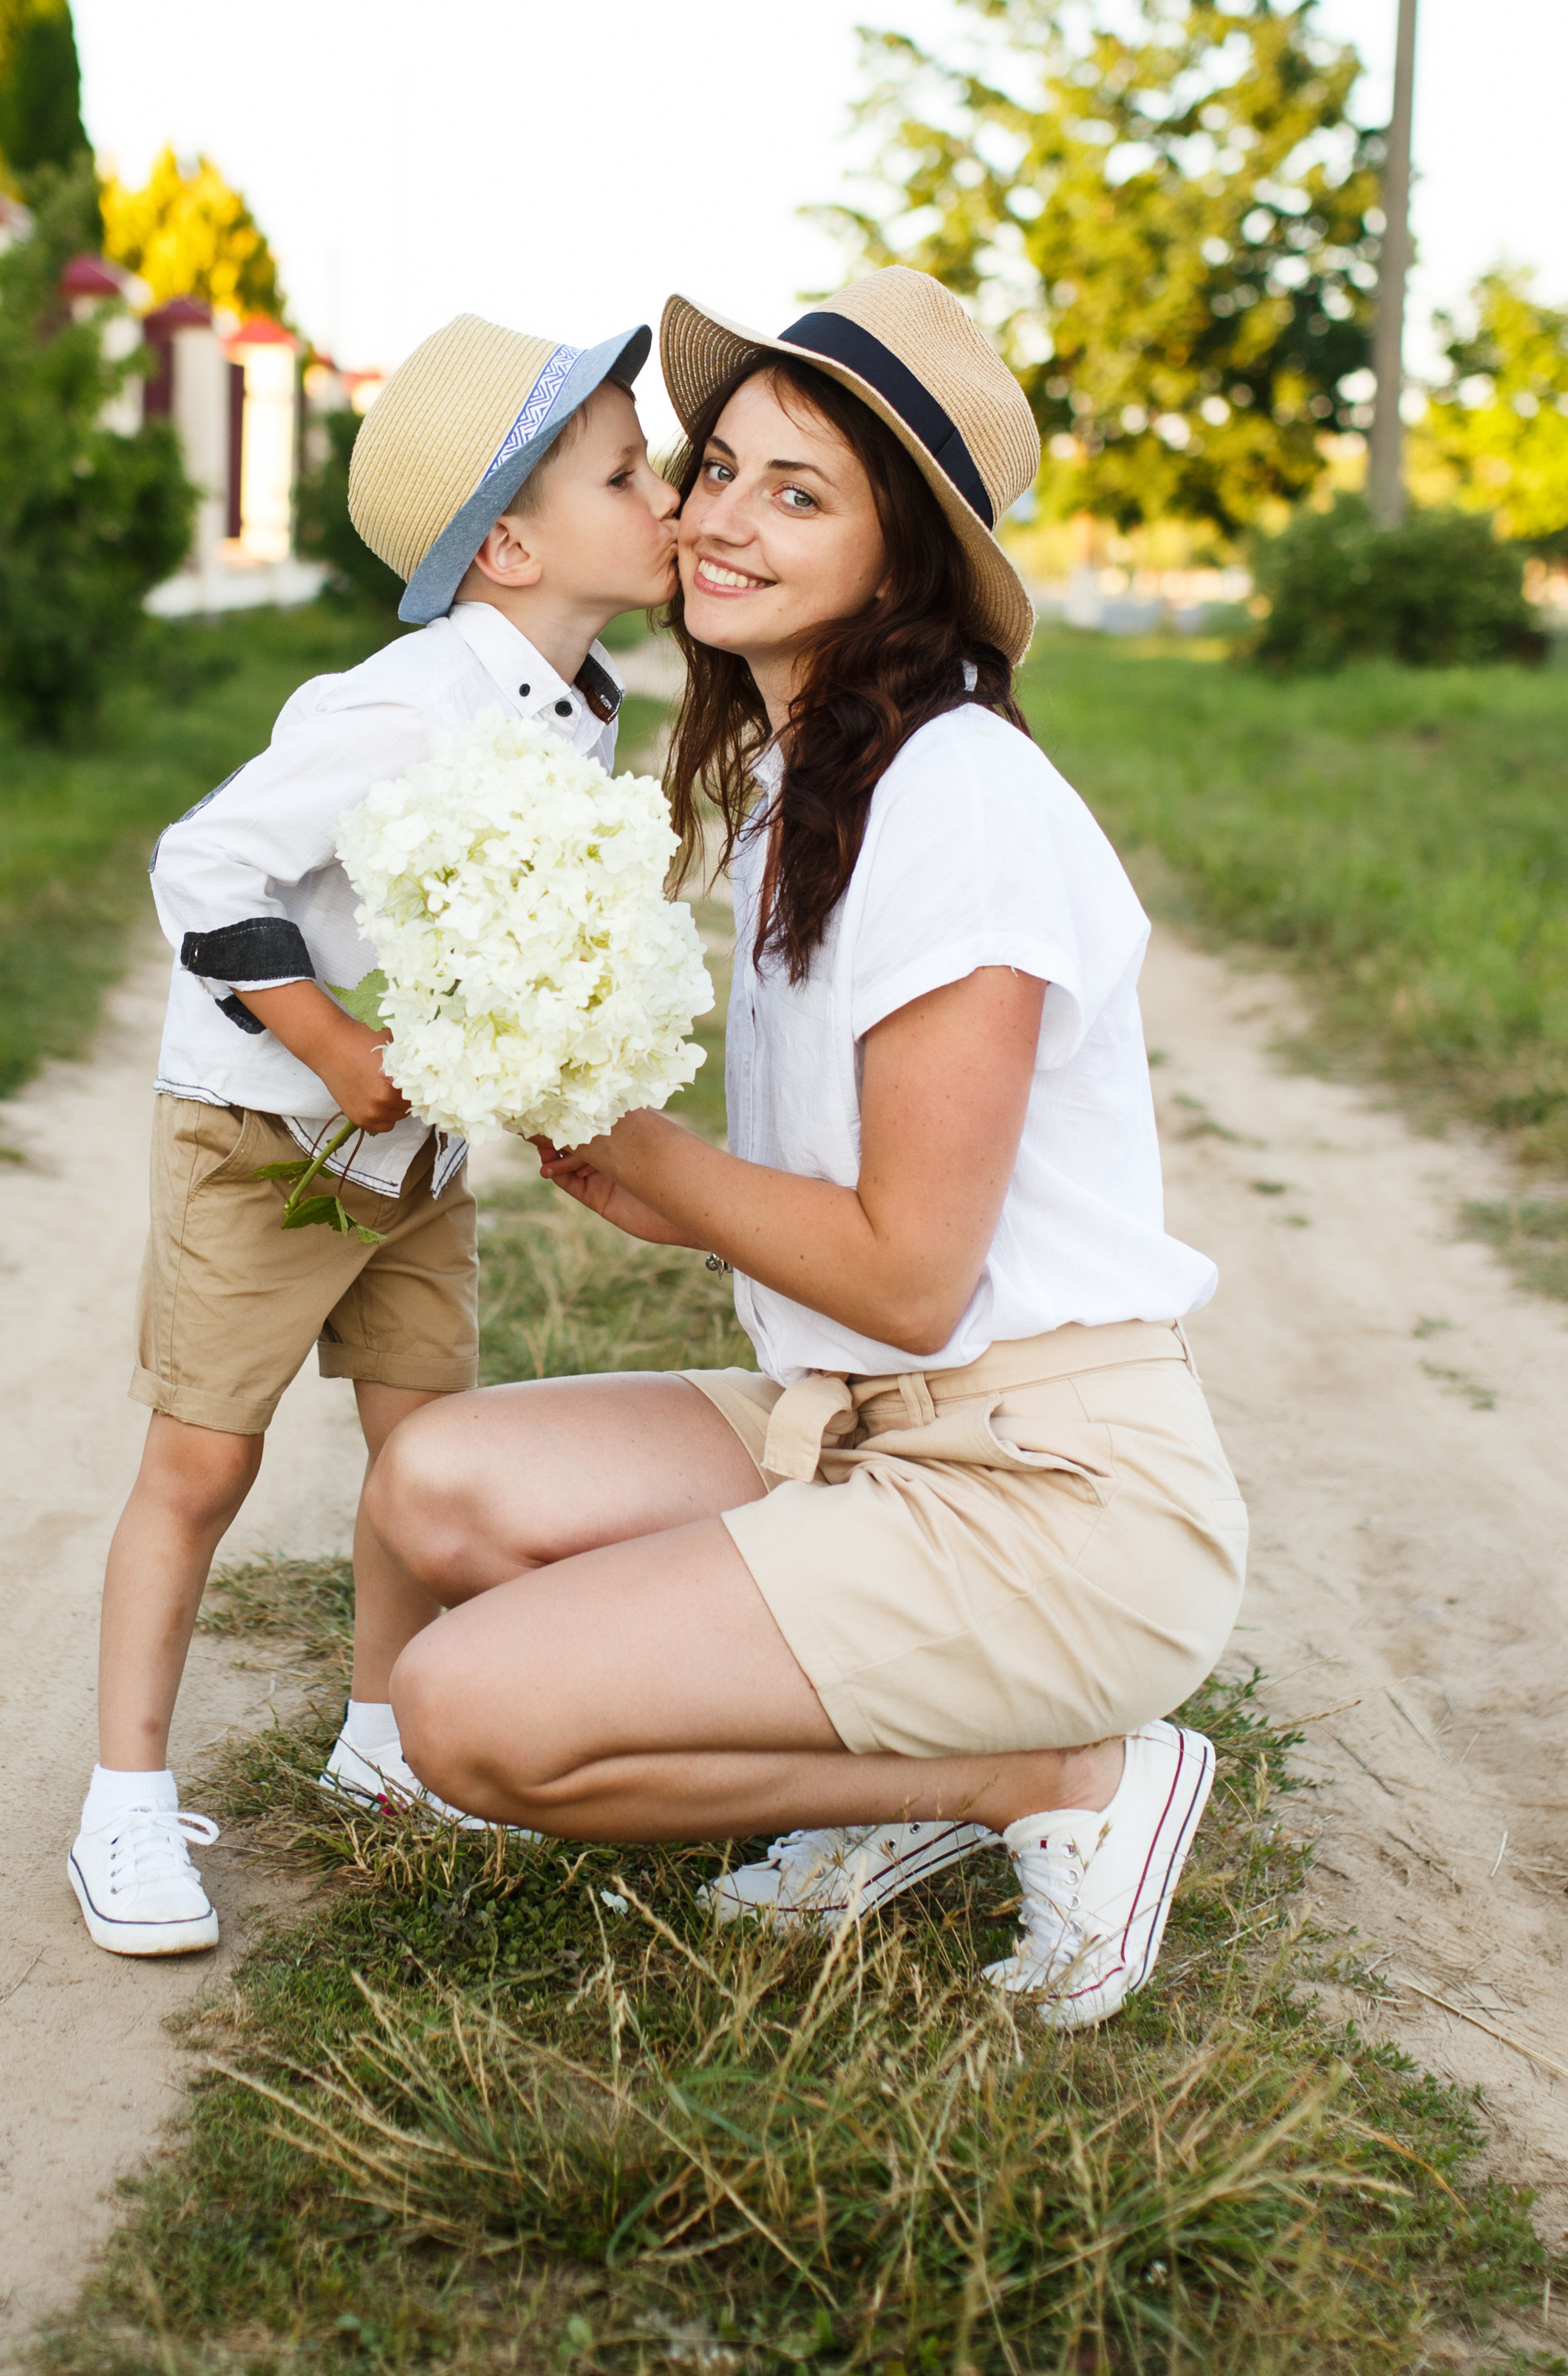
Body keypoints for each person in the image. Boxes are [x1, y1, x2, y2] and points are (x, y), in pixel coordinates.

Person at [350, 267, 1249, 2031]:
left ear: (902, 558)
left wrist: (660, 1159)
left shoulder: (955, 795)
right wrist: (644, 1182)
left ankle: (1049, 1778)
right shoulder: (798, 779)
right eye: (718, 469)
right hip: (860, 1434)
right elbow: (846, 1231)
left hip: (1048, 1497)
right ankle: (903, 1743)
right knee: (436, 1485)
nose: (714, 520)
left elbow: (913, 1279)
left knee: (468, 1717)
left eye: (798, 492)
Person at [66, 312, 681, 1957]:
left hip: (410, 1163)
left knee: (428, 1464)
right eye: (631, 472)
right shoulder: (408, 702)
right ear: (511, 544)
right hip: (264, 1139)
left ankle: (380, 1739)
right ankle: (121, 1803)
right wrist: (333, 1040)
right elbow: (202, 868)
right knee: (201, 1463)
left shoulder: (580, 696)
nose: (671, 494)